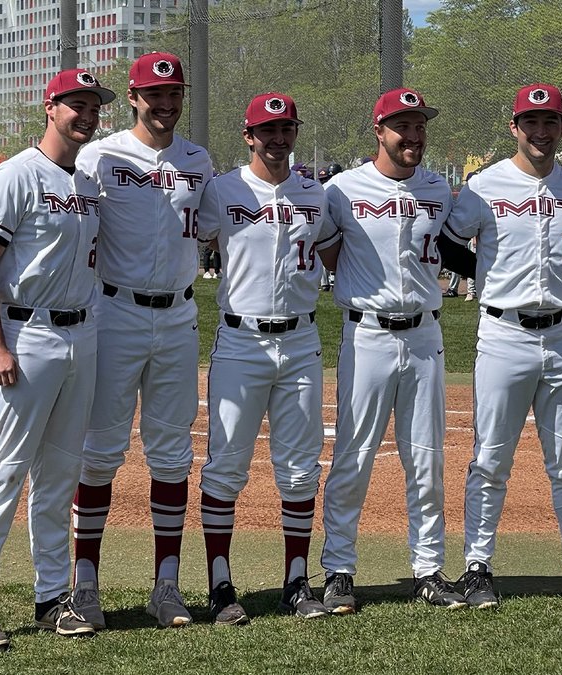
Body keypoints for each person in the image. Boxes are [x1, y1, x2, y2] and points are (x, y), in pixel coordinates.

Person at [0, 68, 114, 650]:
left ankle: (53, 597)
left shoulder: (86, 184)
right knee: (2, 474)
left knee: (58, 479)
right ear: (51, 108)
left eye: (94, 104)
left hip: (80, 339)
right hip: (26, 338)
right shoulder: (16, 174)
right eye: (76, 103)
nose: (87, 113)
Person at [442, 83, 562, 611]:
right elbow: (448, 242)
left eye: (550, 122)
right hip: (504, 332)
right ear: (514, 127)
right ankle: (477, 566)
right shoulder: (484, 185)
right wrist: (486, 275)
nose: (540, 132)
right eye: (530, 122)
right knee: (491, 458)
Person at [69, 52, 213, 630]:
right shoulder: (99, 156)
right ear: (133, 97)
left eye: (174, 93)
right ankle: (84, 587)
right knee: (100, 451)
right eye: (154, 94)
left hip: (178, 317)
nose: (165, 104)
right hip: (115, 312)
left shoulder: (198, 160)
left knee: (172, 452)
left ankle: (168, 586)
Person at [196, 92, 340, 624]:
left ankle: (296, 583)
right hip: (240, 340)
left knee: (301, 469)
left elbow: (331, 248)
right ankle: (219, 584)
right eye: (268, 131)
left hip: (301, 341)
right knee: (227, 466)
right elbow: (188, 233)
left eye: (287, 130)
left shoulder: (314, 192)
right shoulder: (223, 189)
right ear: (248, 135)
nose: (278, 140)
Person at [319, 87, 463, 614]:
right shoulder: (342, 190)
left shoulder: (440, 190)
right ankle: (338, 570)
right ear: (378, 131)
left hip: (426, 335)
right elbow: (328, 252)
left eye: (421, 125)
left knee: (425, 458)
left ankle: (428, 569)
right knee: (353, 458)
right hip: (369, 335)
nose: (414, 135)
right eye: (403, 126)